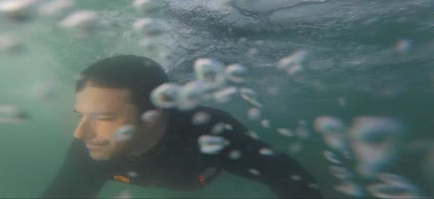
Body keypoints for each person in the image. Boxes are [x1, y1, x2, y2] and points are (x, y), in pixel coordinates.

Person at [40, 55, 323, 198]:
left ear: (155, 113)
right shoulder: (88, 148)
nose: (80, 133)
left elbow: (289, 178)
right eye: (80, 115)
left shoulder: (209, 130)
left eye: (103, 117)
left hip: (200, 178)